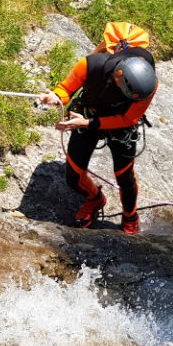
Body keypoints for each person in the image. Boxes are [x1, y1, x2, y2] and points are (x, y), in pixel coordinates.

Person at [39, 22, 158, 234]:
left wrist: (85, 123)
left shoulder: (148, 86)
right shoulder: (90, 65)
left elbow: (128, 118)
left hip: (117, 126)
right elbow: (66, 89)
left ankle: (130, 215)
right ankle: (95, 199)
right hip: (88, 113)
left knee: (124, 177)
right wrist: (56, 97)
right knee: (73, 176)